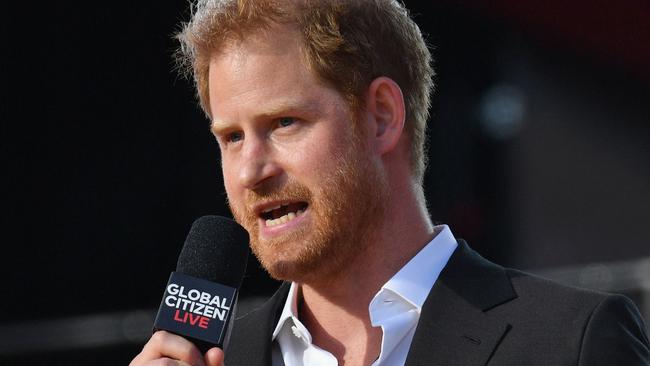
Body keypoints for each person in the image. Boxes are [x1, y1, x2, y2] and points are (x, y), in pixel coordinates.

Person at [131, 0, 650, 365]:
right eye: (232, 137)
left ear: (380, 116)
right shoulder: (216, 361)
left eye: (284, 122)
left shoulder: (570, 344)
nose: (251, 171)